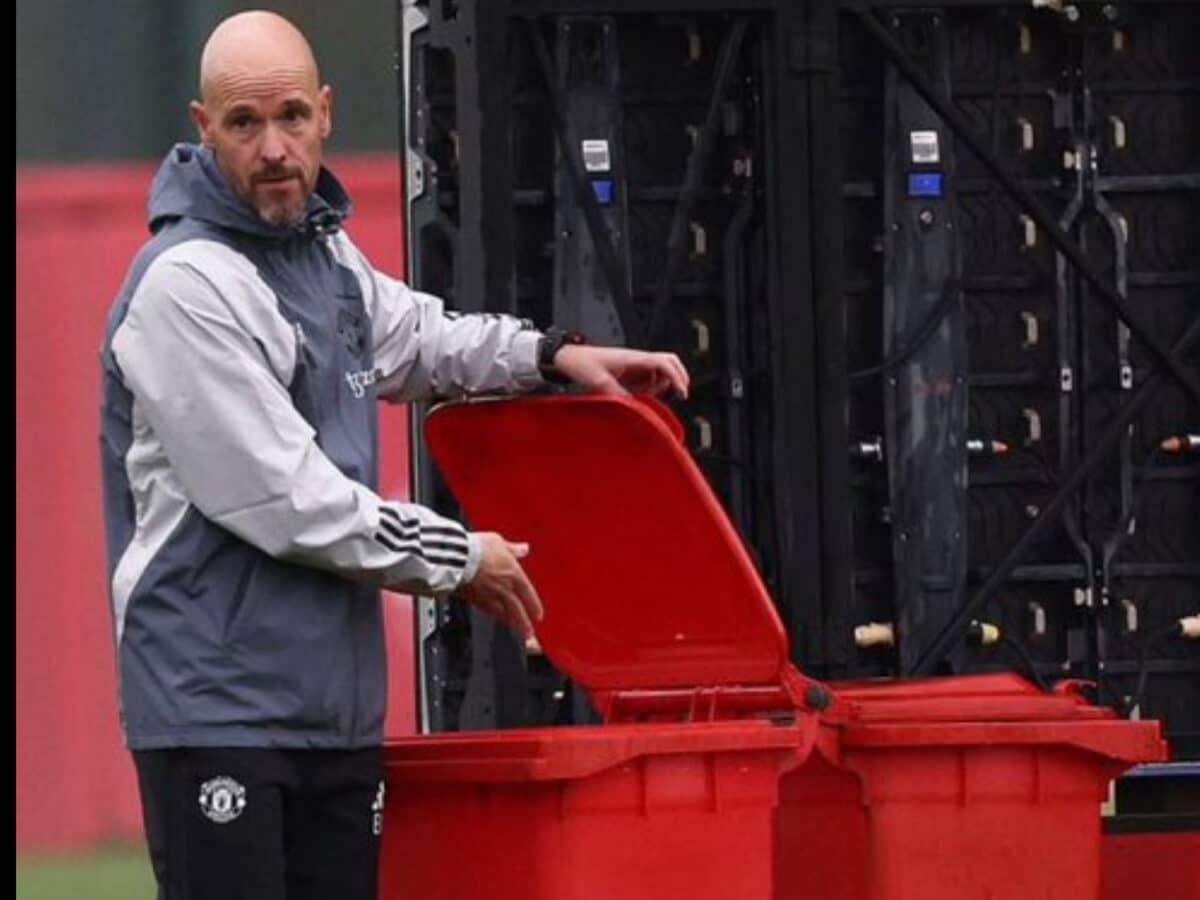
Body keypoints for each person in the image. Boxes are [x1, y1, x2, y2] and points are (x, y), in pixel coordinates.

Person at [98, 10, 688, 899]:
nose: (273, 148)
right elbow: (286, 498)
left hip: (332, 709)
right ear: (203, 128)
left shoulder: (324, 256)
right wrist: (459, 558)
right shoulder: (185, 284)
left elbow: (420, 338)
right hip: (212, 705)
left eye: (292, 117)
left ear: (327, 114)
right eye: (245, 124)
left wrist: (554, 355)